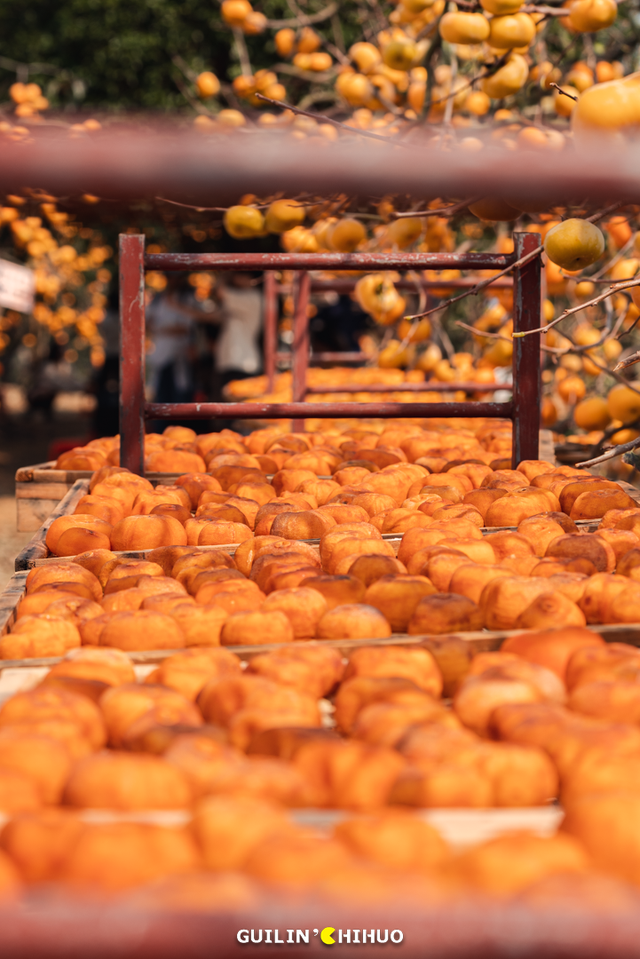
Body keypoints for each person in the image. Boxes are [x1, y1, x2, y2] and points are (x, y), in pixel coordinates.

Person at [214, 272, 263, 391]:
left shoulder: (252, 297)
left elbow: (221, 293)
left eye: (240, 273)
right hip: (234, 361)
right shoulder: (243, 299)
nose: (236, 277)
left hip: (242, 362)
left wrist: (225, 274)